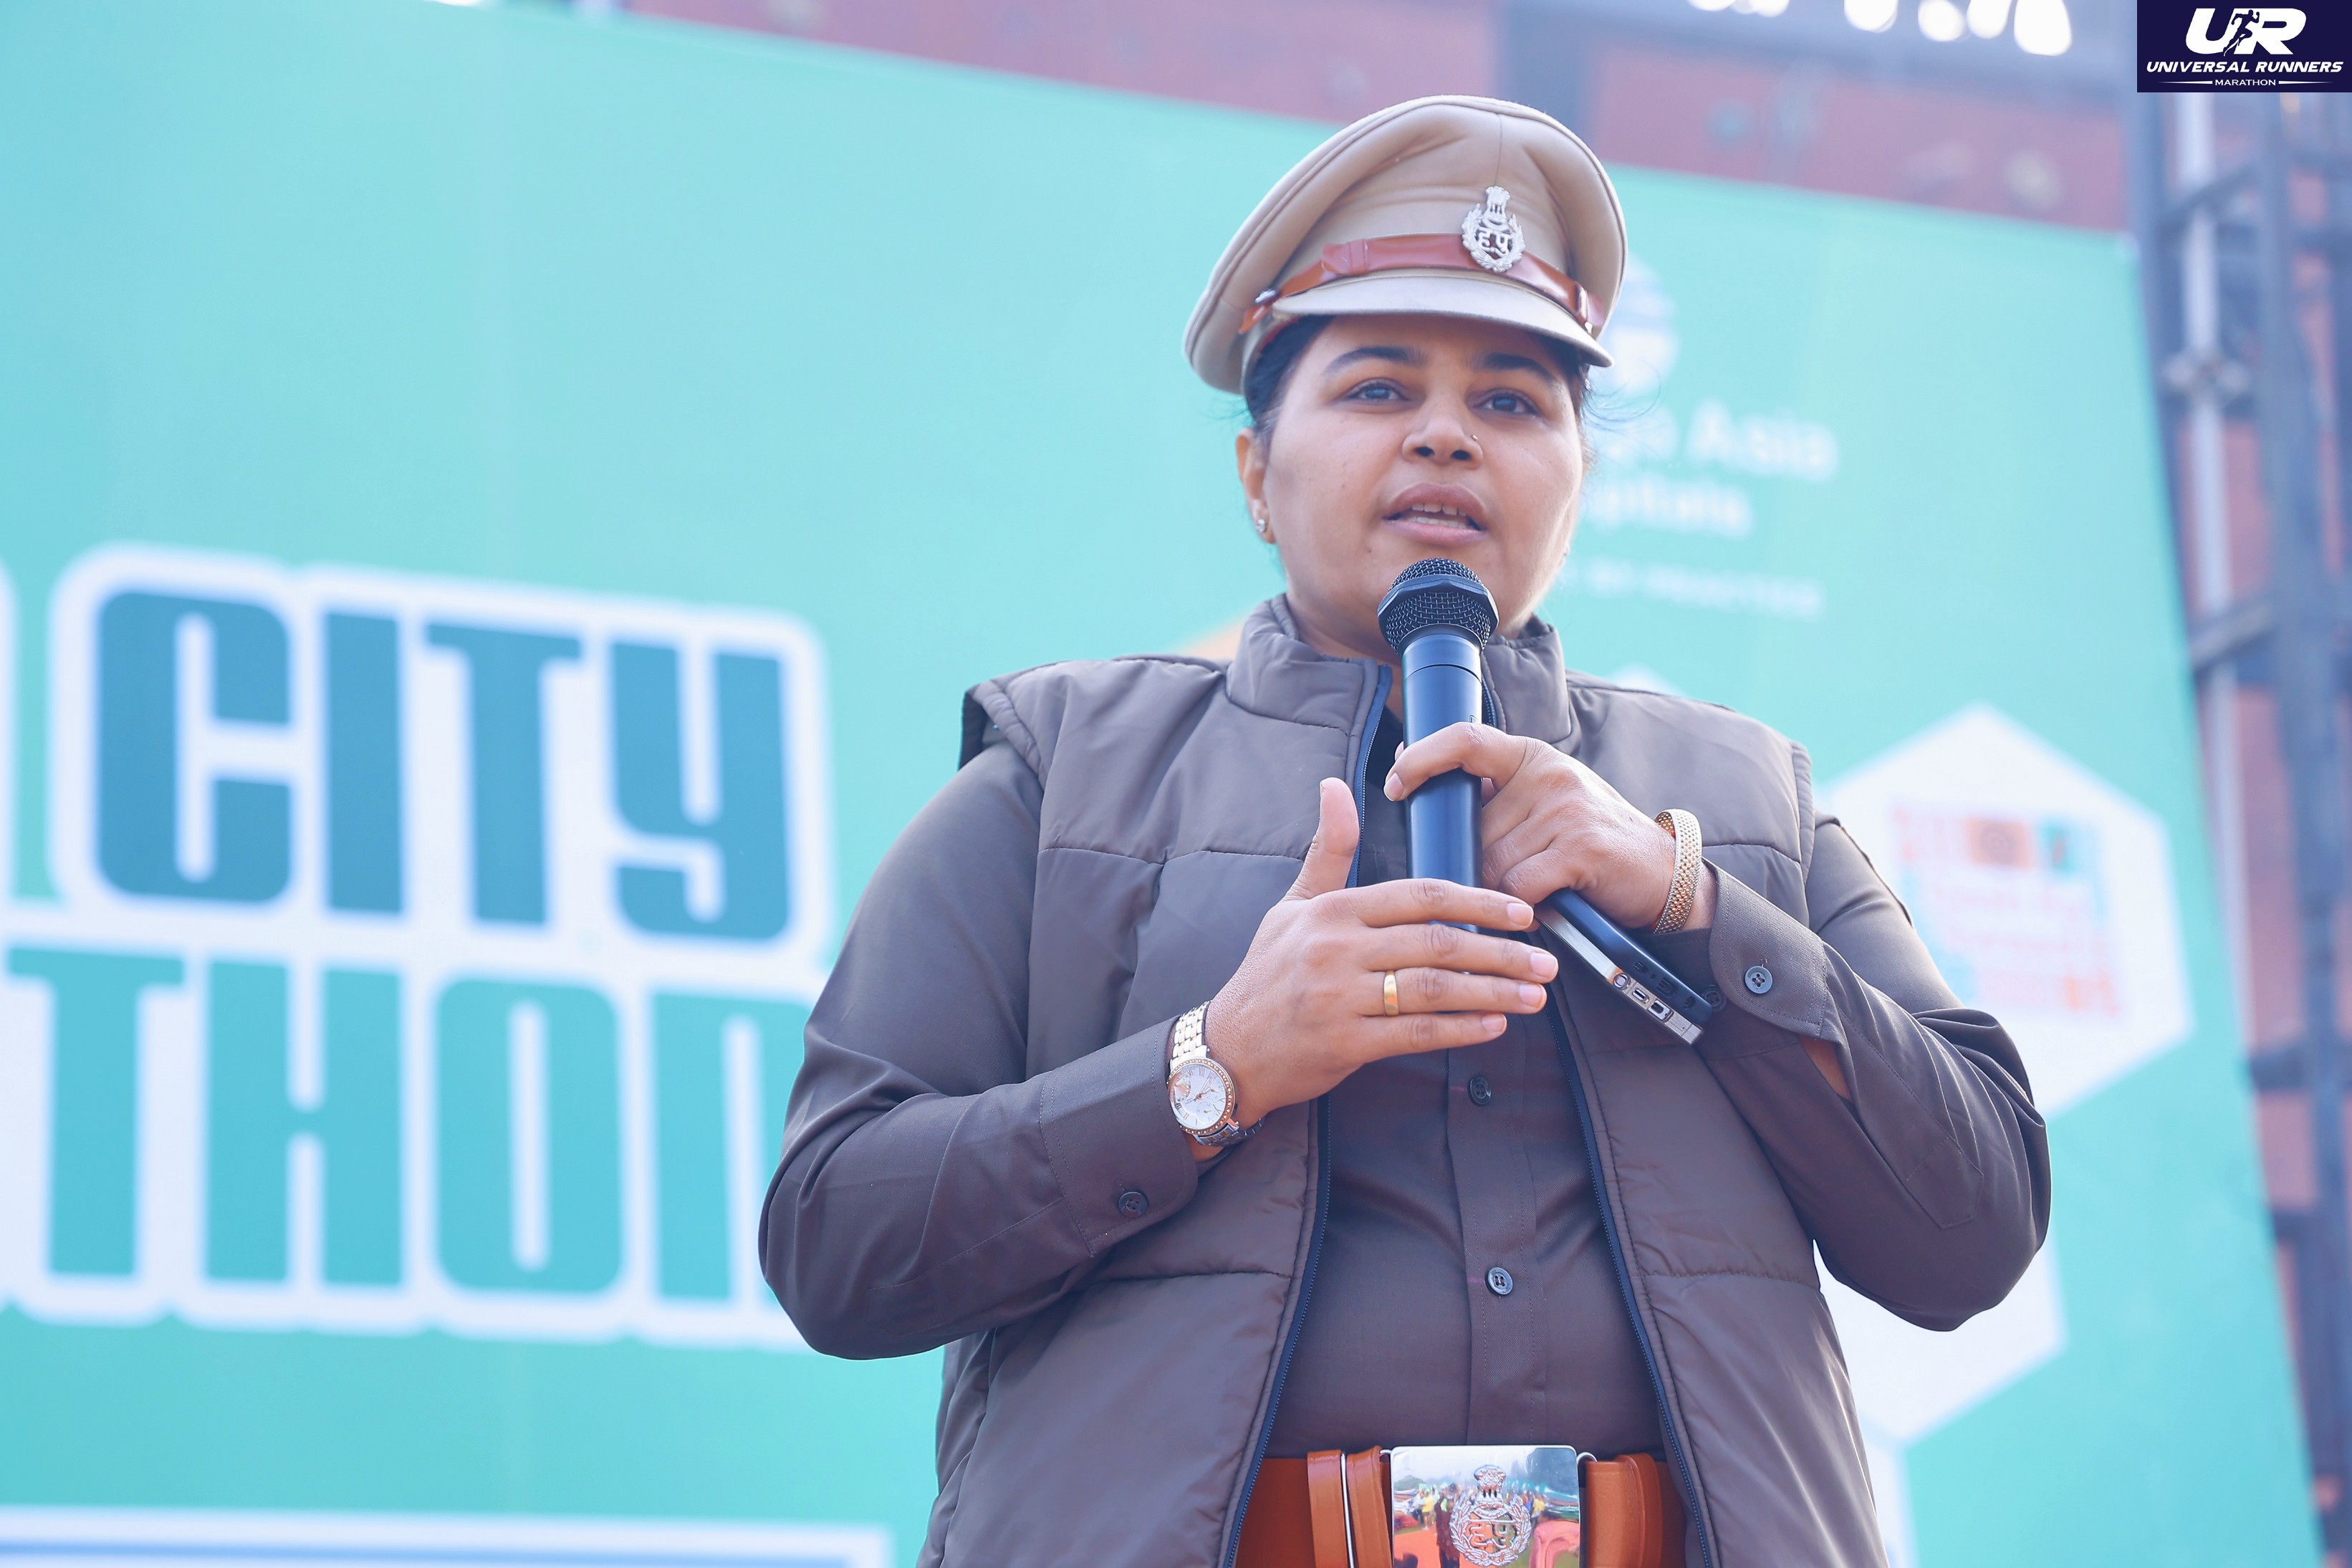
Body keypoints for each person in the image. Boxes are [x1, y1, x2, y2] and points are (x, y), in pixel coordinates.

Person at [761, 96, 2049, 1568]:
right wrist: (1214, 1066)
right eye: (1378, 388)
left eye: (1513, 403)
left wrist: (1693, 903)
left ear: (1579, 478)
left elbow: (1976, 1231)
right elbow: (833, 1237)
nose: (1446, 433)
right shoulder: (1060, 779)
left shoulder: (1748, 801)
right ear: (1257, 476)